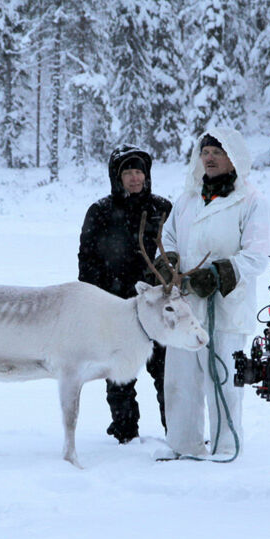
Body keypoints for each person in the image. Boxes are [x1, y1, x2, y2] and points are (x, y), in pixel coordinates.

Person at [159, 126, 270, 461]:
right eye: (205, 152)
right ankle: (184, 446)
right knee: (181, 379)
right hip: (185, 304)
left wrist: (221, 272)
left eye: (217, 152)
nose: (209, 158)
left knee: (220, 379)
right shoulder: (188, 198)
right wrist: (169, 263)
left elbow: (256, 255)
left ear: (233, 159)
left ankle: (225, 448)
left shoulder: (252, 201)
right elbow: (169, 238)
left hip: (224, 307)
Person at [77, 144, 173, 444]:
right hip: (117, 307)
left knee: (167, 372)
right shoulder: (100, 211)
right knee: (120, 374)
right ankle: (125, 433)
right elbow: (87, 260)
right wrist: (95, 302)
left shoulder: (163, 209)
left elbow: (177, 253)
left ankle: (177, 431)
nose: (134, 178)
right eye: (128, 172)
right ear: (116, 177)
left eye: (139, 171)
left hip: (158, 306)